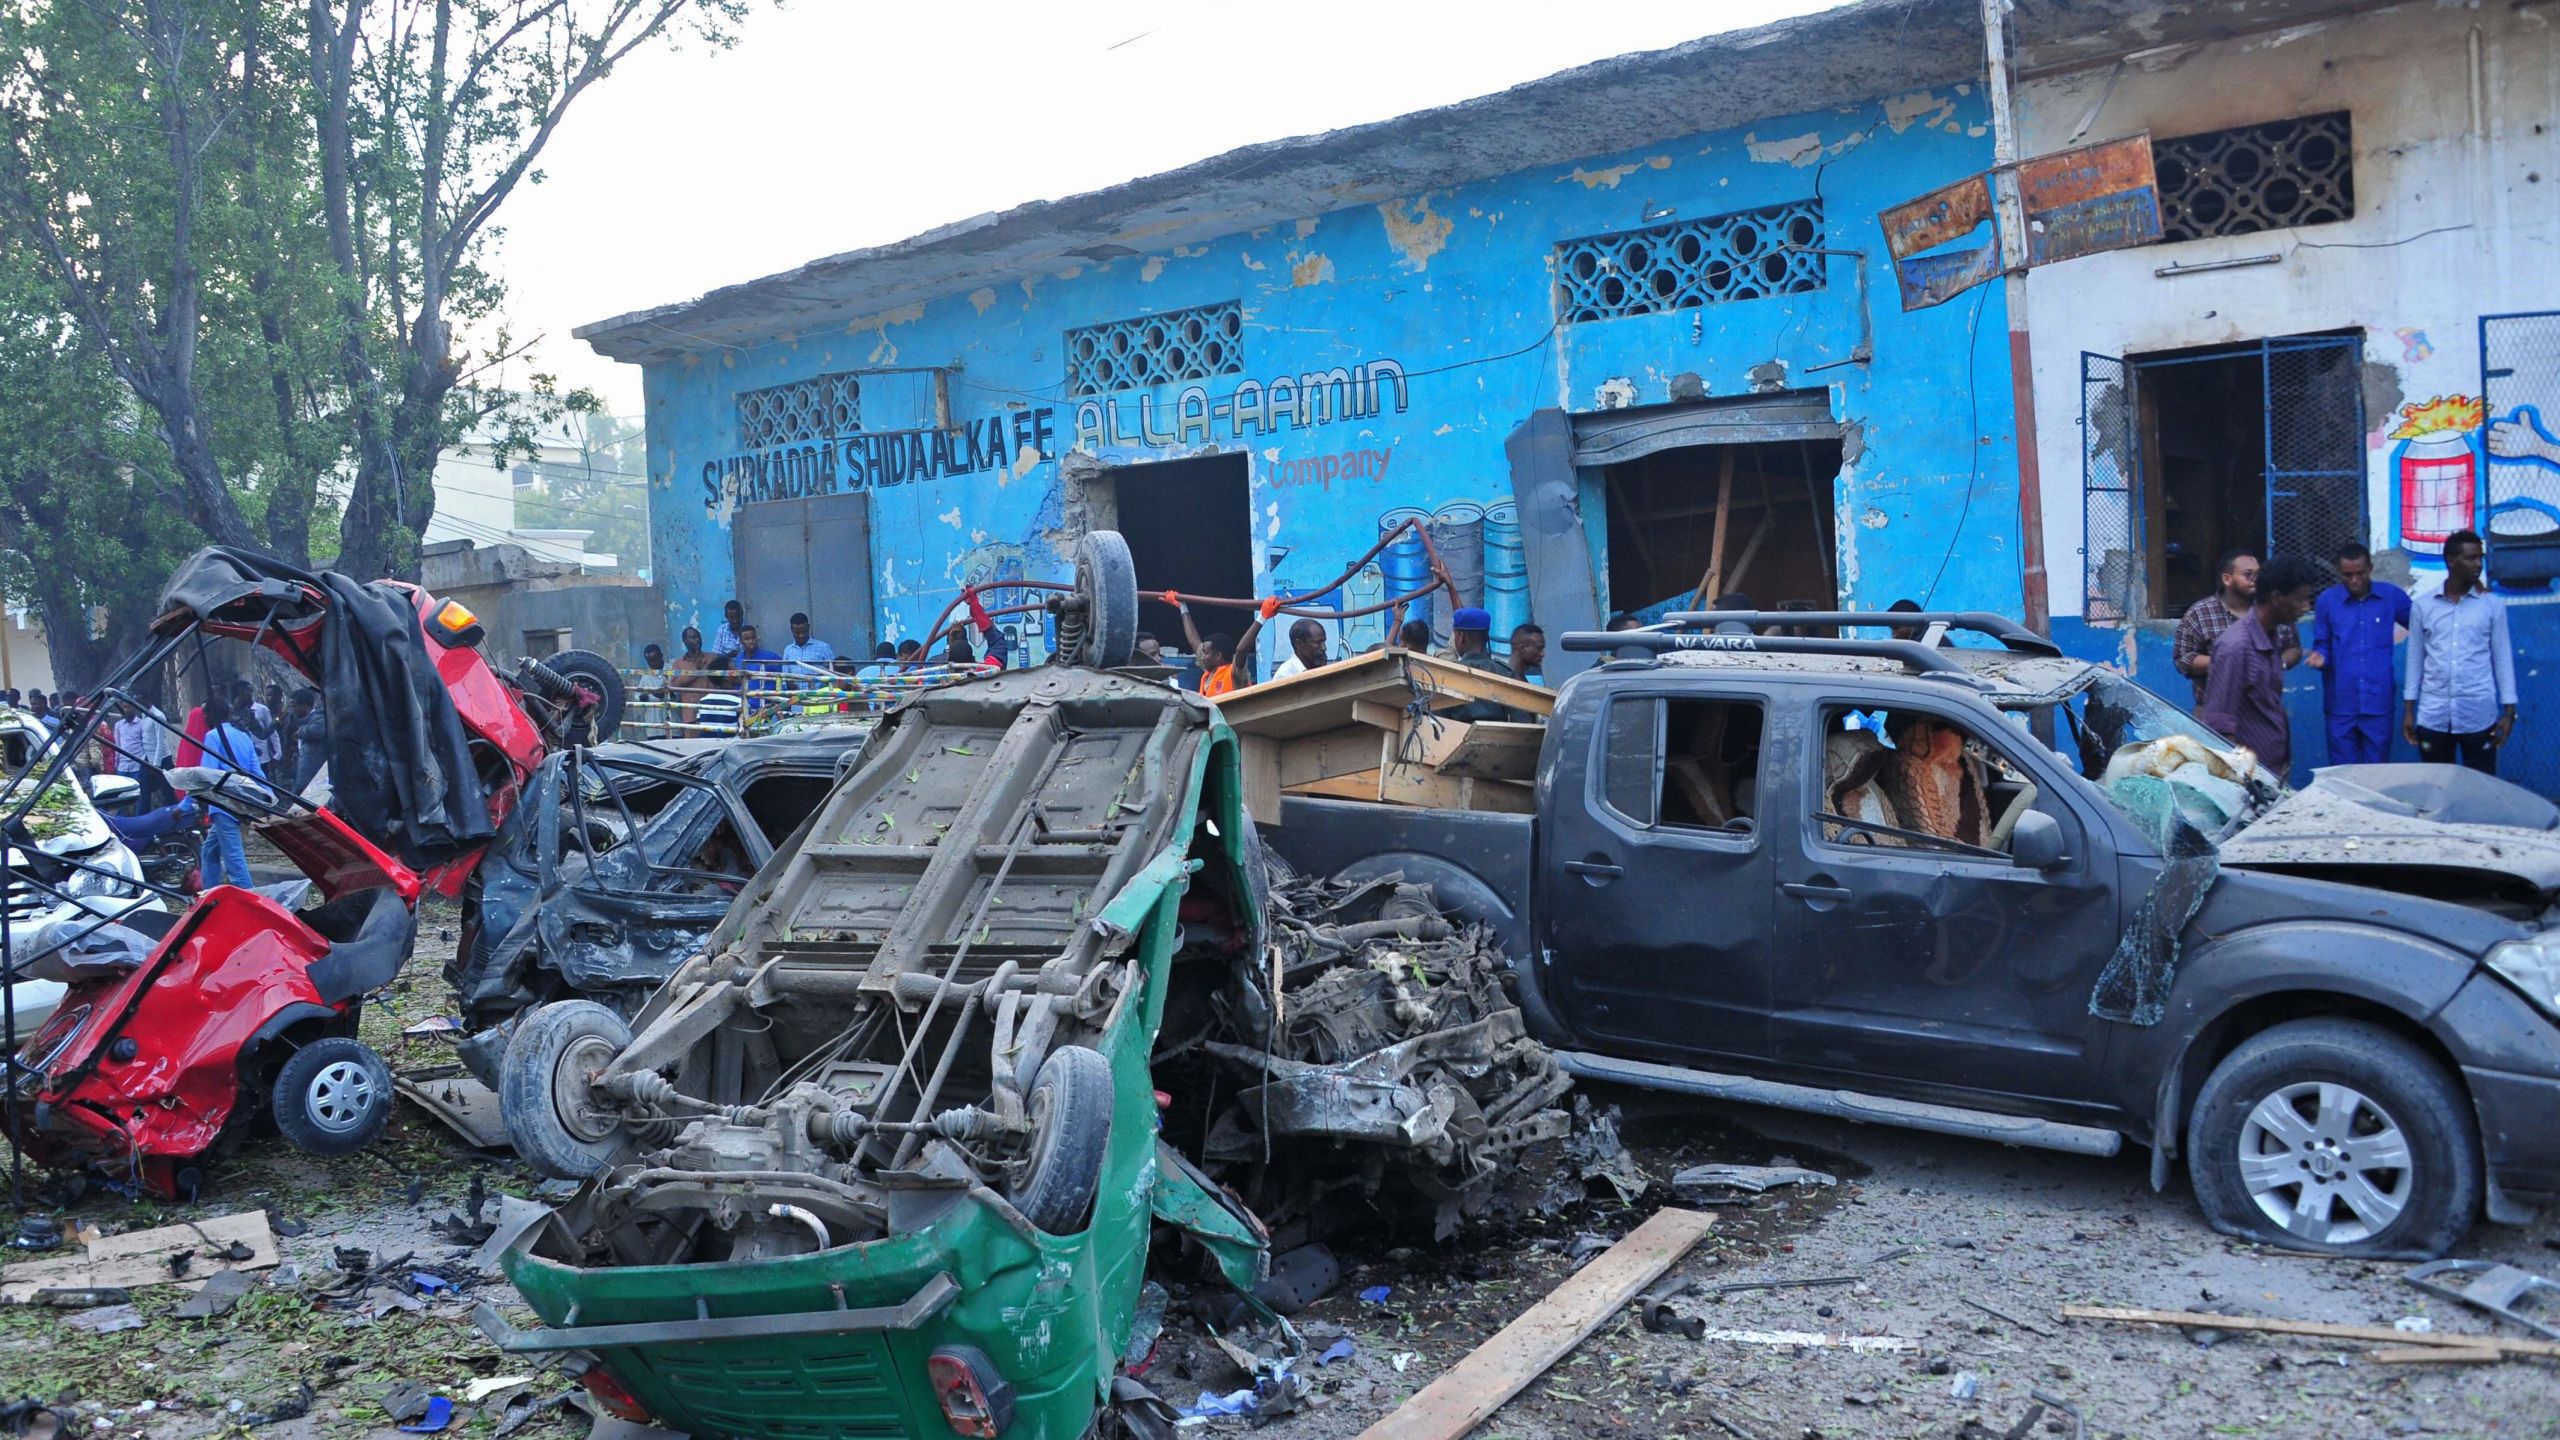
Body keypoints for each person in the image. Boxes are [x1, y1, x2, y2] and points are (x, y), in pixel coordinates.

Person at [2404, 529, 2518, 773]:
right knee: (2437, 787)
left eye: (2480, 558)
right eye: (2471, 558)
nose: (2478, 564)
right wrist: (2409, 711)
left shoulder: (2492, 606)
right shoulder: (2423, 606)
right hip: (2433, 715)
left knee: (2482, 787)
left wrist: (2509, 712)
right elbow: (2415, 660)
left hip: (2478, 714)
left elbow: (2503, 659)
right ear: (2451, 561)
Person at [2200, 555, 2322, 776]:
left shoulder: (2271, 636)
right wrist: (2245, 780)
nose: (2306, 607)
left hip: (2272, 771)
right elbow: (2219, 724)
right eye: (2300, 599)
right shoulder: (2236, 647)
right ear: (2276, 597)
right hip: (2251, 781)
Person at [2304, 542, 2410, 766]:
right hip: (2340, 703)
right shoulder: (2327, 601)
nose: (2354, 580)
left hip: (2378, 702)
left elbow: (2423, 626)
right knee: (2342, 774)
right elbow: (2322, 642)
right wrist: (2320, 657)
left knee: (2377, 772)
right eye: (2347, 575)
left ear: (2370, 569)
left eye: (2359, 574)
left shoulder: (2392, 597)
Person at [2175, 549, 2302, 705]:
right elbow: (2183, 659)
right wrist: (2230, 661)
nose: (2256, 580)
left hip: (2264, 710)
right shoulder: (2200, 613)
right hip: (2213, 711)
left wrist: (2276, 663)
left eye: (2259, 574)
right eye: (2248, 574)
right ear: (2227, 579)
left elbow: (2294, 647)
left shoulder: (2272, 609)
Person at [193, 694, 266, 889]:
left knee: (234, 861)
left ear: (210, 715)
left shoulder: (212, 736)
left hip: (223, 804)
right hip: (241, 803)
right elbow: (257, 772)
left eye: (205, 714)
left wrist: (186, 804)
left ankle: (250, 900)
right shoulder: (242, 736)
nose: (204, 719)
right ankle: (209, 892)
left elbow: (206, 774)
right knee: (209, 851)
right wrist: (267, 798)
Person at [1169, 591, 1276, 698]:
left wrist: (1262, 617)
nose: (1201, 656)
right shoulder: (1208, 673)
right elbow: (1193, 640)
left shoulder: (1234, 673)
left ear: (1218, 656)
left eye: (1205, 652)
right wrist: (1183, 608)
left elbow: (1241, 650)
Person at [289, 690, 328, 794]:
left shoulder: (318, 717)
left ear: (304, 706)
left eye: (294, 706)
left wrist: (300, 731)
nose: (292, 710)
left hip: (314, 772)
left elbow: (318, 731)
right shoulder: (302, 720)